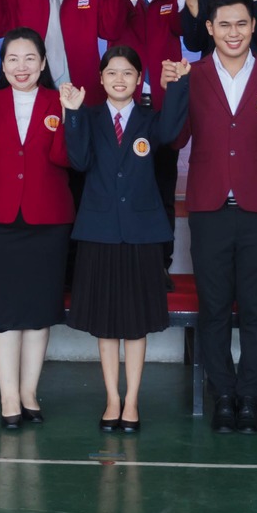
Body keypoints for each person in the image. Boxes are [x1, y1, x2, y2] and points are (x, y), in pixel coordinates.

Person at [183, 0, 257, 435]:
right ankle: (223, 394)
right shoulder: (191, 75)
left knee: (255, 308)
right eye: (224, 24)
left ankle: (250, 397)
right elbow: (173, 139)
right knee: (212, 308)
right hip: (209, 206)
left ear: (254, 28)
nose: (233, 32)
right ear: (209, 29)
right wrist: (172, 91)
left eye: (242, 24)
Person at [63, 47, 191, 432]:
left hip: (141, 233)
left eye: (128, 73)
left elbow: (172, 133)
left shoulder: (151, 121)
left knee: (135, 323)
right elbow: (80, 161)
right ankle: (112, 399)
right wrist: (71, 113)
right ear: (101, 79)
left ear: (139, 81)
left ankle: (132, 400)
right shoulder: (87, 116)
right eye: (112, 73)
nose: (120, 79)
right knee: (105, 323)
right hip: (99, 231)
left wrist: (179, 85)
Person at [0, 29, 74, 429]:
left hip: (48, 218)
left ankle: (29, 392)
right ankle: (9, 396)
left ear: (43, 64)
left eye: (30, 59)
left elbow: (66, 158)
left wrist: (71, 117)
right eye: (12, 59)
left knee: (39, 310)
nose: (21, 67)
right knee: (3, 310)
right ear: (3, 65)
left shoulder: (60, 102)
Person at [110, 0, 185, 250]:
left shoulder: (175, 2)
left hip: (162, 111)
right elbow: (108, 29)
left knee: (162, 186)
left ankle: (162, 260)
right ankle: (122, 251)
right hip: (123, 110)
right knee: (123, 184)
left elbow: (189, 34)